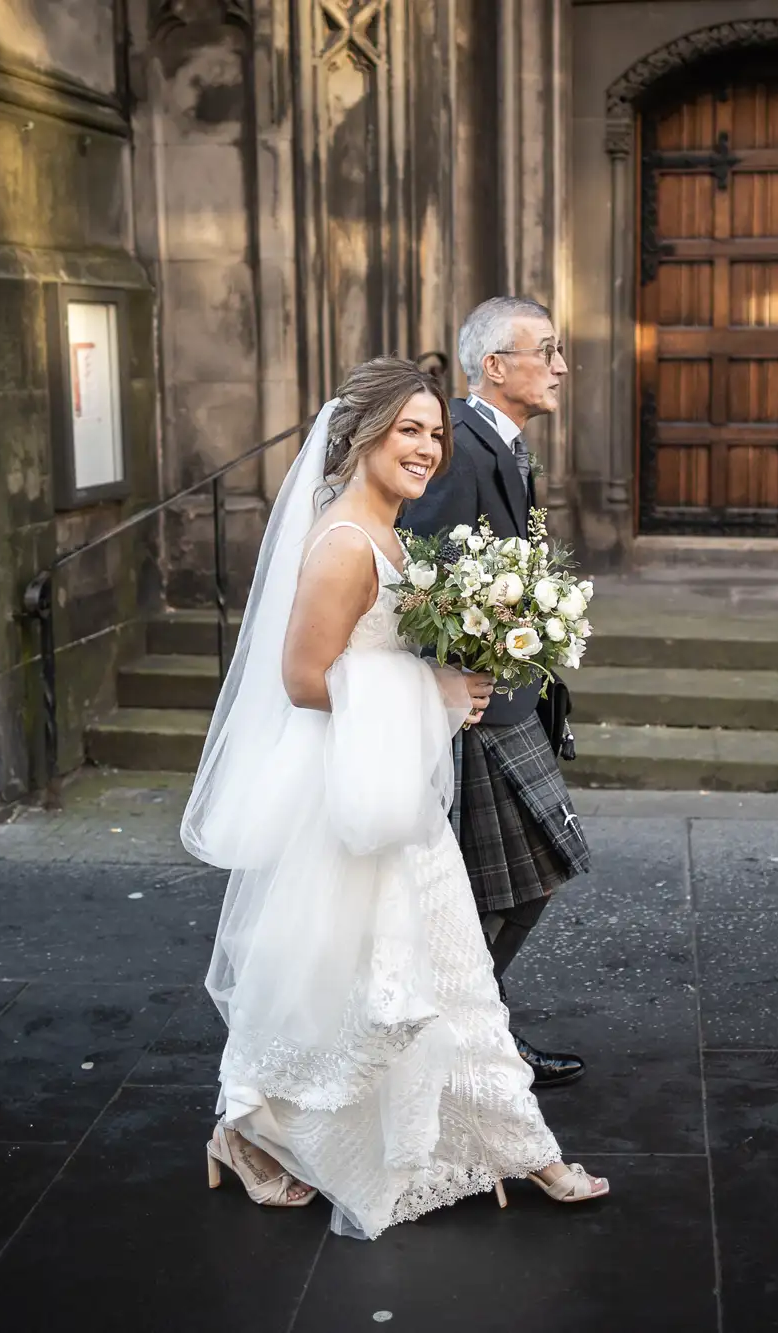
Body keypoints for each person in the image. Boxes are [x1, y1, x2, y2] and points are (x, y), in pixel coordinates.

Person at [179, 357, 608, 1239]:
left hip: (389, 785)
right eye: (408, 429)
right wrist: (435, 696)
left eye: (434, 432)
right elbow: (303, 680)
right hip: (343, 794)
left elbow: (375, 661)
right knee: (333, 976)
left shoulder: (394, 535)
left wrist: (451, 670)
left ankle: (517, 1141)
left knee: (425, 975)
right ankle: (248, 1125)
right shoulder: (342, 543)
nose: (427, 446)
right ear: (363, 435)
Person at [399, 297, 592, 1089]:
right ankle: (464, 1035)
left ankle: (475, 1026)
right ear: (493, 367)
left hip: (510, 699)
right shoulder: (461, 448)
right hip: (476, 711)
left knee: (532, 873)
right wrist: (453, 678)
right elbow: (422, 579)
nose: (560, 365)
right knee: (513, 880)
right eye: (545, 350)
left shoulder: (502, 443)